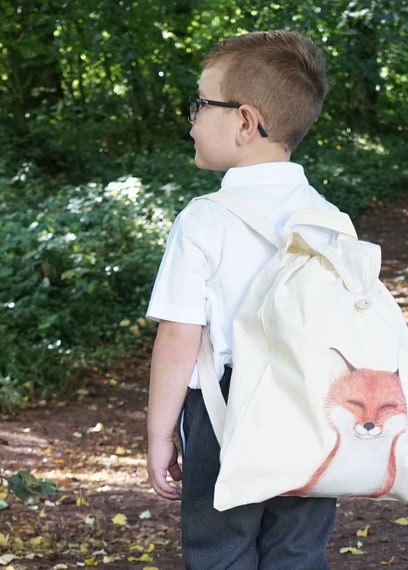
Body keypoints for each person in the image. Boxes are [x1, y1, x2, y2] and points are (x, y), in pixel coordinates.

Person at [146, 30, 338, 569]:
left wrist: (160, 432)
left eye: (201, 105)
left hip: (223, 408)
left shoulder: (203, 219)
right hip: (312, 403)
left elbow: (181, 334)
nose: (192, 119)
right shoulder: (328, 217)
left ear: (246, 122)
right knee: (298, 551)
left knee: (220, 551)